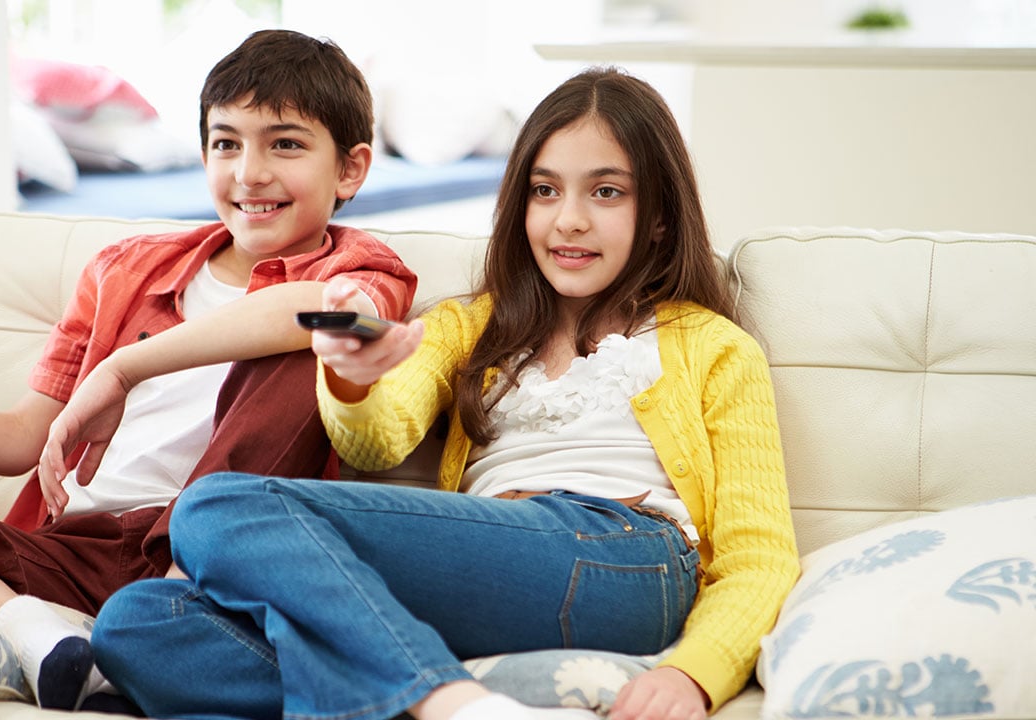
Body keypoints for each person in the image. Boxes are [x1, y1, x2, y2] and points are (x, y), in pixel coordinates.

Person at [89, 66, 801, 720]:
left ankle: (449, 703)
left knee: (216, 507)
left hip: (626, 560)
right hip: (484, 582)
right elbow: (379, 436)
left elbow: (759, 557)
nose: (569, 219)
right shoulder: (468, 326)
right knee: (140, 623)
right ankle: (433, 688)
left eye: (606, 191)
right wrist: (349, 376)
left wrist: (693, 675)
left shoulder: (714, 347)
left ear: (660, 217)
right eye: (544, 190)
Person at [0, 29, 416, 712]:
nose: (249, 173)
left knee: (307, 346)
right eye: (227, 143)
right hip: (71, 552)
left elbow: (336, 317)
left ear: (350, 169)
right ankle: (35, 633)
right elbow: (26, 437)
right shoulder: (125, 267)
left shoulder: (362, 271)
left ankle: (160, 619)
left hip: (205, 561)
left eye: (284, 144)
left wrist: (124, 368)